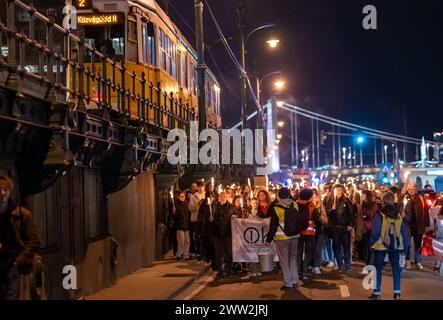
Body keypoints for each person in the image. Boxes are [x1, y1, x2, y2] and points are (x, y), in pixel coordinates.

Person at [0, 176, 41, 300]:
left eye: (5, 189)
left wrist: (18, 261)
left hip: (13, 266)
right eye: (0, 190)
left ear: (9, 191)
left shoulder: (22, 214)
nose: (2, 193)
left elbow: (35, 241)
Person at [266, 188, 309, 291]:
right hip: (295, 236)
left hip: (282, 238)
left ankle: (288, 283)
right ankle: (295, 281)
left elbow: (273, 226)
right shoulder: (295, 204)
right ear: (289, 195)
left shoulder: (276, 208)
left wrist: (268, 240)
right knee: (293, 259)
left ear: (279, 196)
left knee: (284, 261)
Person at [369, 192, 409, 300]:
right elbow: (404, 233)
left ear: (383, 200)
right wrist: (405, 247)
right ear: (393, 201)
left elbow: (375, 231)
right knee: (396, 269)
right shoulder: (399, 215)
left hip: (381, 245)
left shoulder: (379, 214)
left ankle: (377, 293)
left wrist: (371, 243)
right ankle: (397, 293)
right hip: (396, 245)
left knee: (378, 269)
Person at [399, 183, 430, 270]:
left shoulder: (421, 199)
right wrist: (402, 213)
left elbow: (426, 212)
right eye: (409, 189)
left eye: (412, 188)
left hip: (418, 225)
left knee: (418, 244)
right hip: (407, 224)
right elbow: (400, 207)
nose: (411, 190)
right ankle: (407, 261)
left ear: (415, 189)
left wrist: (427, 225)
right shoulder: (404, 198)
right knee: (407, 244)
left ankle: (418, 261)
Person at [328, 184, 354, 272]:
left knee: (346, 246)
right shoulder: (331, 201)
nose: (338, 191)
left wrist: (351, 225)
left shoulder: (346, 201)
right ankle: (340, 265)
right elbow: (328, 215)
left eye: (340, 190)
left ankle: (347, 266)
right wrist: (332, 209)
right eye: (336, 190)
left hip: (344, 227)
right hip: (335, 227)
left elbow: (352, 213)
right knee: (336, 247)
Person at [211, 192, 235, 280]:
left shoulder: (231, 207)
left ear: (227, 197)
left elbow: (238, 217)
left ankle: (228, 270)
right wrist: (210, 220)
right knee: (218, 254)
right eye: (220, 196)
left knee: (229, 253)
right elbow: (209, 219)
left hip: (227, 233)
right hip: (217, 234)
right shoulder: (214, 207)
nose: (222, 197)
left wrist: (236, 217)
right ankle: (220, 272)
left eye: (224, 196)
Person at [297, 188, 317, 280]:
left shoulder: (295, 205)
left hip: (297, 233)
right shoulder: (312, 207)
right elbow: (317, 219)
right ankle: (305, 273)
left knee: (298, 253)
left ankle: (297, 272)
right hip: (309, 233)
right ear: (309, 197)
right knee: (308, 253)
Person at [357, 190, 378, 265]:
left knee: (370, 247)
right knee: (365, 246)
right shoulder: (362, 204)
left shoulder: (373, 205)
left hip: (370, 228)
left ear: (367, 196)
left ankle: (370, 263)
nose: (362, 196)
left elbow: (373, 215)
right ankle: (367, 262)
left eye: (363, 195)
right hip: (363, 228)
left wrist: (365, 214)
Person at [197, 191, 216, 269]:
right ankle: (208, 258)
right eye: (209, 197)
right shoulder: (203, 206)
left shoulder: (215, 205)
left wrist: (213, 218)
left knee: (213, 244)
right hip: (206, 227)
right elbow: (200, 218)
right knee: (208, 243)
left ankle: (213, 259)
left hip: (214, 227)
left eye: (212, 197)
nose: (211, 199)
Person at [312, 192, 329, 274]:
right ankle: (311, 265)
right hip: (311, 231)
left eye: (315, 197)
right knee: (312, 249)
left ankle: (316, 266)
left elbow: (325, 221)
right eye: (312, 197)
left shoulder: (321, 208)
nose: (314, 198)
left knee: (318, 249)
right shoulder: (310, 207)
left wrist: (322, 219)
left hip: (320, 231)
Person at [189, 182, 206, 260]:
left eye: (202, 187)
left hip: (204, 219)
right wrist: (198, 204)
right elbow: (190, 208)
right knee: (197, 236)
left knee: (204, 236)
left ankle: (204, 252)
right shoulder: (193, 196)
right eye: (199, 187)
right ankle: (198, 252)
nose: (200, 188)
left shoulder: (206, 195)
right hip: (196, 219)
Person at [246, 197, 262, 277]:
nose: (255, 204)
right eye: (254, 203)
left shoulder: (260, 212)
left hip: (258, 236)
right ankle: (252, 270)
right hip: (249, 236)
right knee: (252, 253)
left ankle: (258, 269)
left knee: (258, 253)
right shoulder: (247, 213)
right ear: (251, 203)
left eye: (257, 203)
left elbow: (264, 222)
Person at [173, 191, 191, 260]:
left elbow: (189, 213)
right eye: (181, 196)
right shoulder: (176, 205)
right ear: (178, 197)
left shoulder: (187, 204)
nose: (182, 197)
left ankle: (186, 255)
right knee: (181, 241)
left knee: (187, 241)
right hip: (179, 226)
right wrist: (174, 212)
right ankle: (179, 254)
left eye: (183, 196)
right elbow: (175, 217)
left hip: (186, 225)